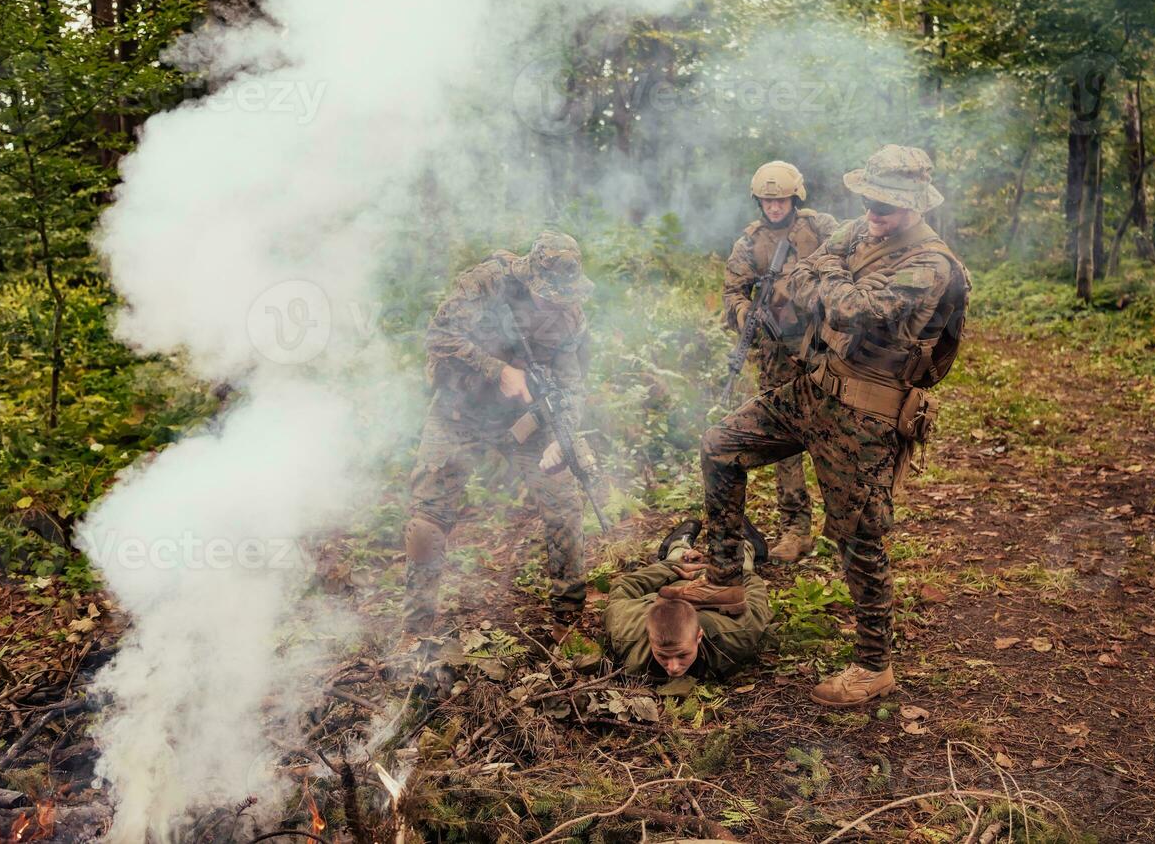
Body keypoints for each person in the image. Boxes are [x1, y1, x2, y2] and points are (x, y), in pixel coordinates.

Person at [663, 146, 970, 707]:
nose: (875, 211)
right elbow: (797, 285)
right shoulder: (856, 232)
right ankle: (728, 577)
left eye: (887, 204)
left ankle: (875, 665)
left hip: (868, 413)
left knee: (858, 534)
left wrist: (825, 280)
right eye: (870, 199)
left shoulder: (931, 264)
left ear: (914, 205)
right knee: (721, 447)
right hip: (815, 388)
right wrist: (827, 284)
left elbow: (855, 308)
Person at [402, 231, 594, 645]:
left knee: (564, 504)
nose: (554, 303)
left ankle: (568, 623)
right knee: (428, 518)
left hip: (523, 420)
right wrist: (496, 369)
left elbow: (573, 384)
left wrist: (564, 434)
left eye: (562, 297)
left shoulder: (569, 315)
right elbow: (438, 336)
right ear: (531, 276)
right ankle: (415, 632)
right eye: (548, 295)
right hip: (460, 410)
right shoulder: (486, 284)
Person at [721, 161, 839, 563]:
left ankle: (844, 523)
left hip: (823, 347)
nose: (774, 207)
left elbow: (852, 259)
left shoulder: (820, 228)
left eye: (781, 199)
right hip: (776, 355)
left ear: (795, 197)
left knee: (833, 434)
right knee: (785, 440)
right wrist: (745, 316)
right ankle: (795, 528)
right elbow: (733, 293)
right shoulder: (749, 245)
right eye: (767, 200)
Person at [603, 522, 771, 678]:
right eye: (662, 655)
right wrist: (677, 569)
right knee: (680, 559)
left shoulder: (736, 633)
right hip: (674, 584)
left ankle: (747, 544)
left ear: (699, 636)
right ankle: (679, 542)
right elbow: (623, 587)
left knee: (740, 566)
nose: (673, 667)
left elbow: (752, 585)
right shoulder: (624, 629)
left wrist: (713, 571)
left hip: (714, 597)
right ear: (650, 637)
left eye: (682, 655)